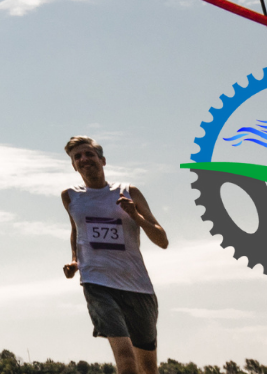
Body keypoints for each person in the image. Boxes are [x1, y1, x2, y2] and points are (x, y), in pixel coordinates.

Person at [61, 136, 165, 374]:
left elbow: (162, 240)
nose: (83, 159)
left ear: (103, 160)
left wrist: (134, 215)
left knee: (147, 368)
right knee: (125, 357)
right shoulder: (70, 196)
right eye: (77, 157)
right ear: (74, 165)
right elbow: (77, 230)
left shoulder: (129, 192)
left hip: (137, 285)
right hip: (97, 282)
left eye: (89, 154)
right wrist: (75, 260)